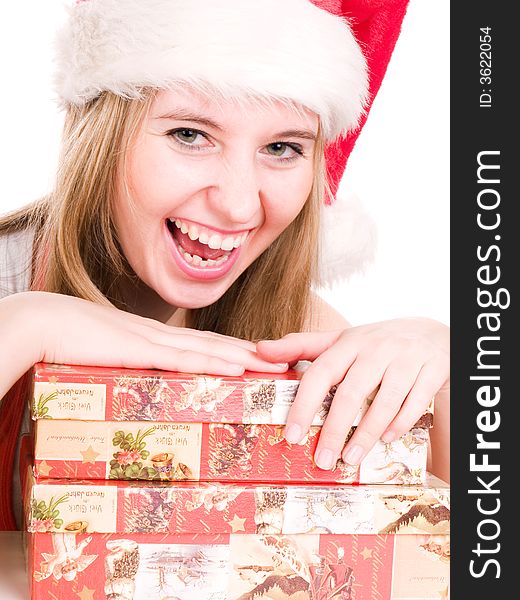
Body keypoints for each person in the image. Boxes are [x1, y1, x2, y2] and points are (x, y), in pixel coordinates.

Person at [0, 0, 449, 531]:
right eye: (189, 135)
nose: (239, 205)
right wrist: (26, 326)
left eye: (282, 147)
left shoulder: (290, 322)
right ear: (100, 135)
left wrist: (447, 377)